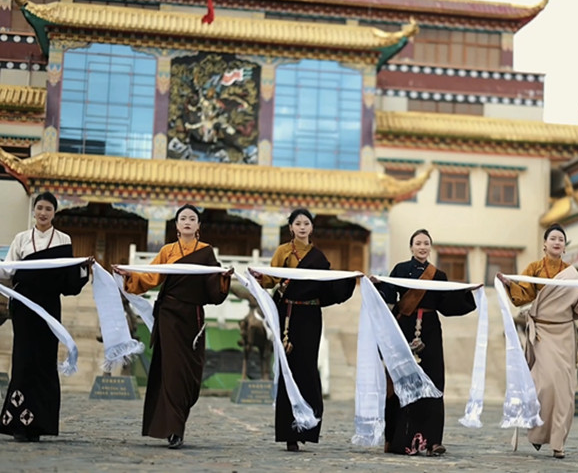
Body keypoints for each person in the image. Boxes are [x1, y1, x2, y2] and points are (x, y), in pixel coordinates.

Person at [113, 204, 232, 449]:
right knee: (171, 371)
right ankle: (174, 430)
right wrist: (129, 275)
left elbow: (214, 288)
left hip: (192, 317)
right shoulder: (167, 251)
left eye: (192, 218)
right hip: (168, 315)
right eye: (183, 218)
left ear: (198, 226)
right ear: (176, 225)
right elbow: (150, 277)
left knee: (189, 374)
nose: (187, 222)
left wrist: (223, 278)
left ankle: (177, 422)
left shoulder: (206, 252)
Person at [497, 223, 578, 459]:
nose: (557, 242)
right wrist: (510, 284)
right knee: (545, 385)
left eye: (561, 239)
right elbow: (523, 296)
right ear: (545, 244)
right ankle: (538, 433)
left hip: (564, 334)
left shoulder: (572, 274)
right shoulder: (534, 268)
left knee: (564, 391)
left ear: (564, 246)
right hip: (541, 334)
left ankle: (558, 442)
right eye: (553, 238)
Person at [249, 208, 355, 452]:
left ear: (311, 227)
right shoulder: (283, 252)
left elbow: (328, 285)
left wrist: (350, 279)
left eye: (306, 223)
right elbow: (271, 279)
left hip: (310, 317)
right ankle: (289, 433)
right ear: (291, 227)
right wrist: (259, 277)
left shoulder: (318, 257)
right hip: (288, 315)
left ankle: (307, 425)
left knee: (307, 369)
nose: (302, 227)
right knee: (289, 370)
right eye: (298, 223)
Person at [376, 228, 477, 456]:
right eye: (418, 243)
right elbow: (388, 294)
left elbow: (447, 304)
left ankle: (432, 441)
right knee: (403, 382)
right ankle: (400, 439)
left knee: (434, 382)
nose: (422, 247)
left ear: (430, 247)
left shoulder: (438, 275)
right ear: (411, 247)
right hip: (404, 328)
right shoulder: (401, 269)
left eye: (426, 243)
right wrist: (377, 285)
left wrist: (467, 292)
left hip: (430, 330)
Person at [0, 192, 91, 442]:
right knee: (23, 360)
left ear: (54, 213)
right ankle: (19, 424)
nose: (43, 213)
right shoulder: (21, 239)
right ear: (34, 210)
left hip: (49, 306)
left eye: (48, 209)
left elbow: (67, 278)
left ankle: (40, 423)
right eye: (39, 207)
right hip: (24, 306)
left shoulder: (63, 239)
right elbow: (8, 271)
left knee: (45, 360)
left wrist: (84, 267)